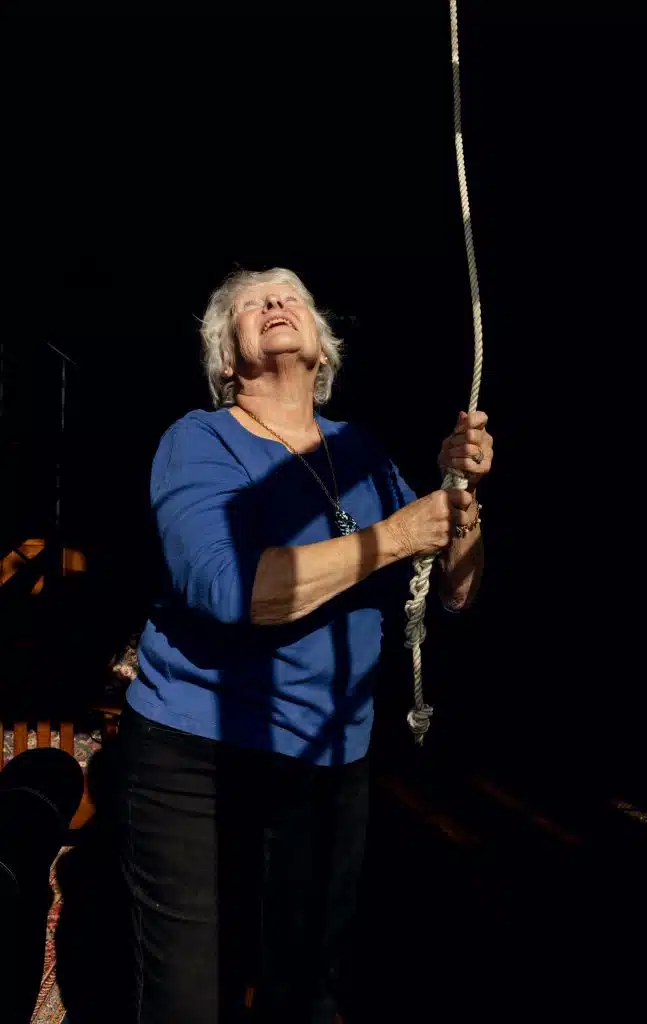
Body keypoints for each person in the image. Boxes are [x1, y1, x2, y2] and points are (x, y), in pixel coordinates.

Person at [116, 267, 494, 1024]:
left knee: (309, 992)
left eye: (290, 295)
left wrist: (459, 504)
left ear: (324, 351)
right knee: (191, 996)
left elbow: (454, 593)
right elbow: (232, 590)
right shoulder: (198, 441)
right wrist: (396, 534)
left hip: (328, 762)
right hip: (197, 755)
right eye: (250, 303)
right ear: (228, 359)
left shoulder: (361, 453)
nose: (275, 302)